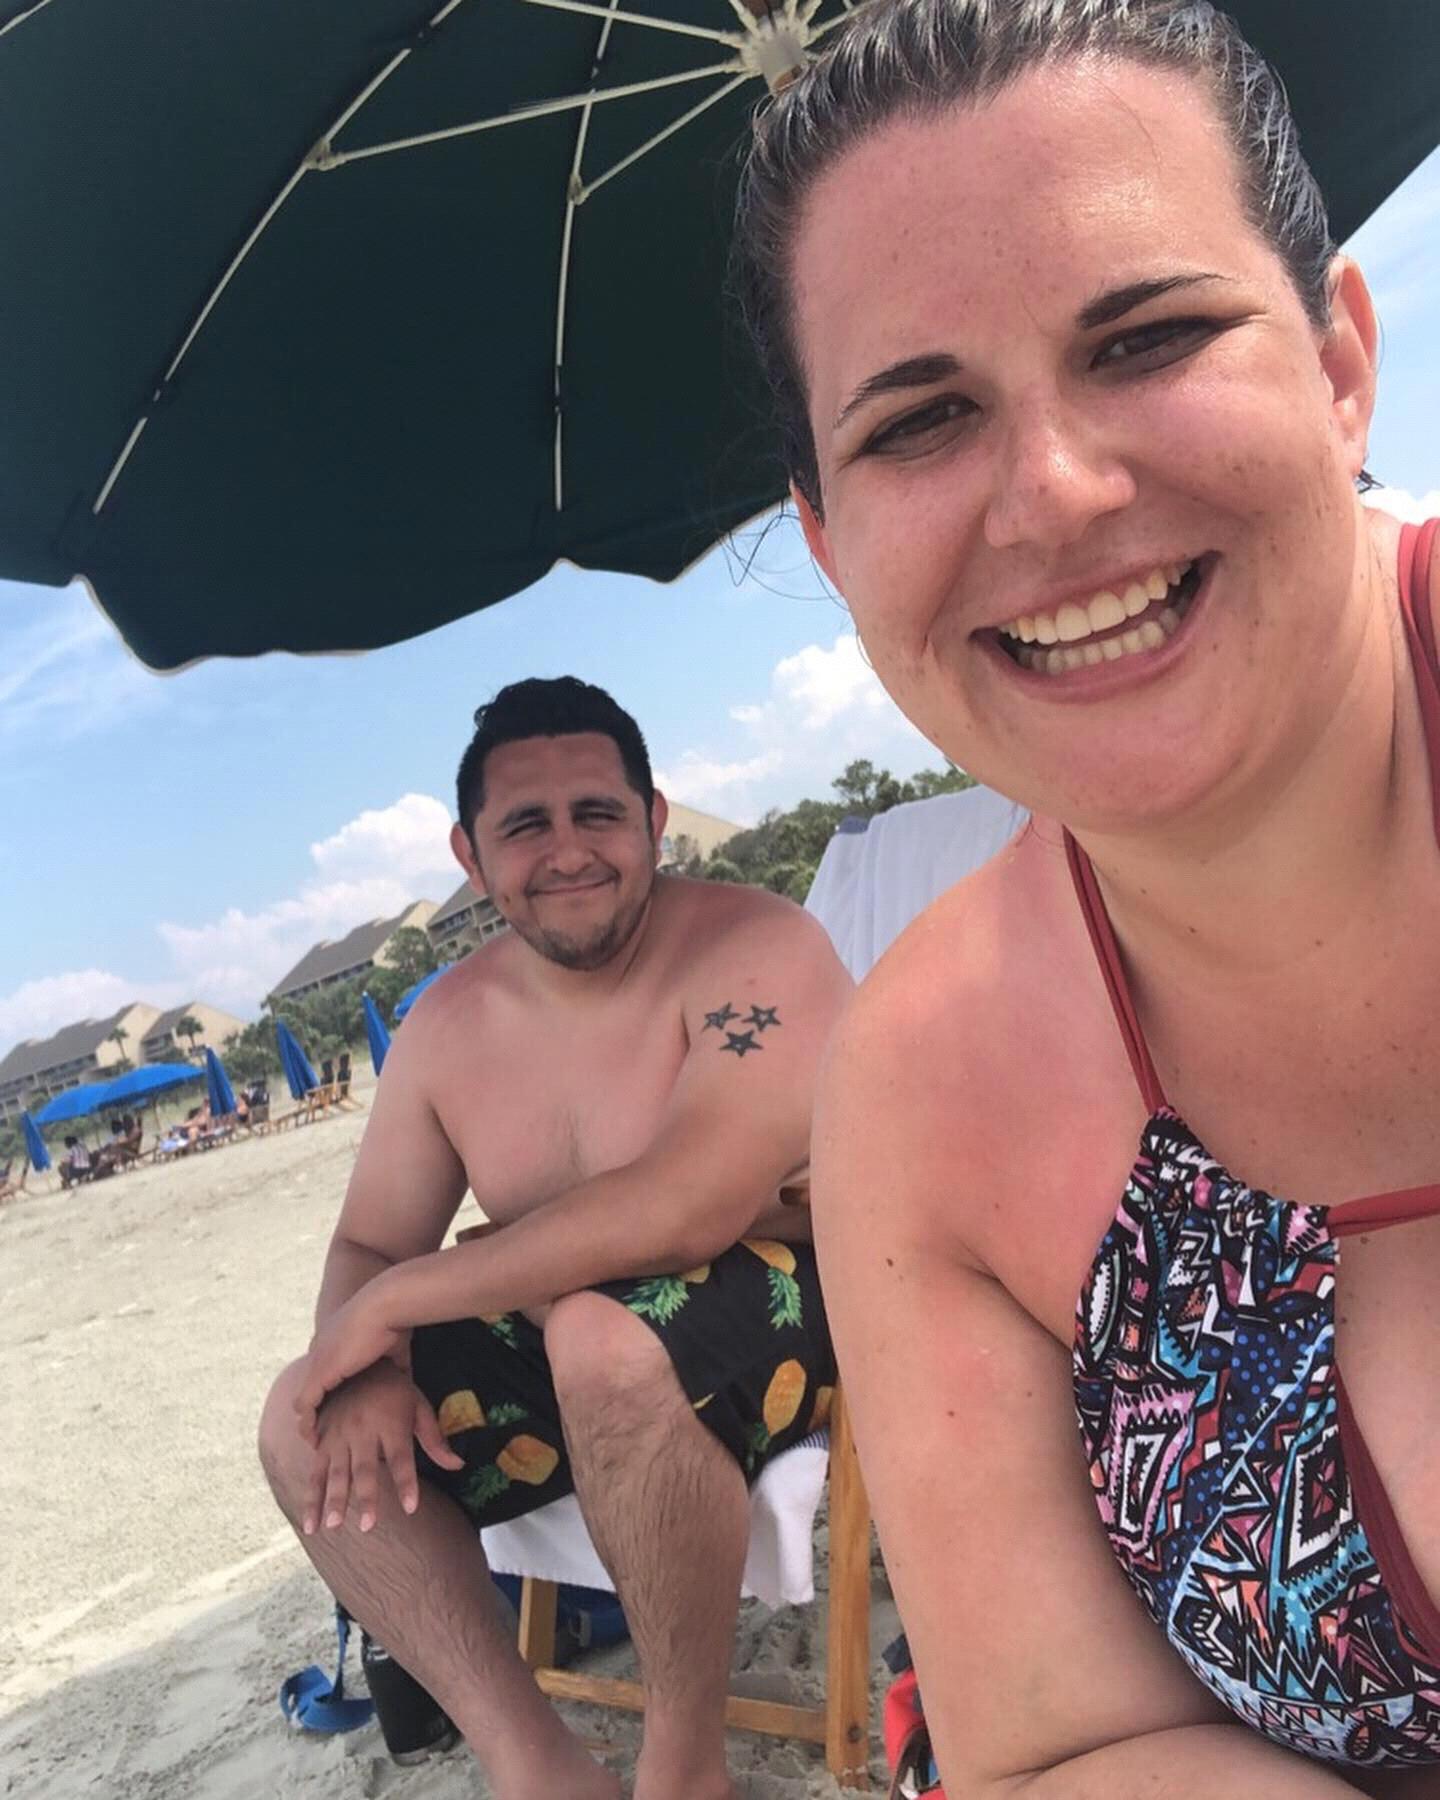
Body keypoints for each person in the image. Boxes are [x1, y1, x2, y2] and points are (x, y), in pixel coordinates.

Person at [731, 3, 1440, 1794]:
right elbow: (1064, 1744)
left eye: (1149, 336)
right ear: (827, 546)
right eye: (921, 423)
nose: (1052, 495)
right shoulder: (918, 1095)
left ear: (1340, 360)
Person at [258, 676, 851, 1800]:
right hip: (562, 1330)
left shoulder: (755, 949)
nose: (569, 851)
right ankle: (535, 1767)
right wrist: (368, 1361)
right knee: (304, 1423)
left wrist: (395, 1305)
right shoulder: (448, 1025)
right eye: (527, 825)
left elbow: (687, 1203)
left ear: (654, 819)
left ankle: (684, 1767)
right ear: (471, 856)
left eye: (599, 814)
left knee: (601, 1340)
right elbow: (372, 1242)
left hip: (796, 1305)